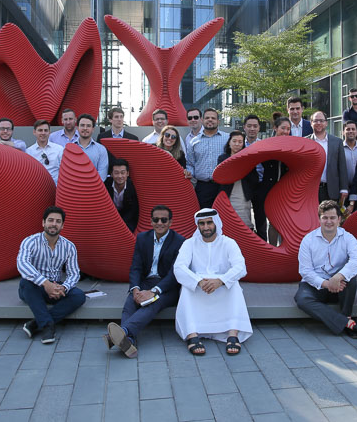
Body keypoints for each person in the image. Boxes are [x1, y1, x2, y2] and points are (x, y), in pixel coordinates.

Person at [105, 205, 185, 358]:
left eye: (164, 220)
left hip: (167, 287)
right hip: (145, 282)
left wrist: (154, 291)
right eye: (156, 219)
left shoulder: (180, 241)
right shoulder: (142, 238)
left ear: (170, 222)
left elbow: (174, 274)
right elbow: (136, 267)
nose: (159, 223)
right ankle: (127, 339)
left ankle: (123, 332)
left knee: (151, 304)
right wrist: (135, 289)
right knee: (130, 303)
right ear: (151, 221)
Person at [174, 208, 252, 356]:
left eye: (209, 223)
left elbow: (240, 267)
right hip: (199, 287)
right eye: (202, 224)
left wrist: (221, 280)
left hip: (221, 285)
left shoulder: (228, 243)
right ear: (198, 226)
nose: (206, 227)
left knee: (234, 286)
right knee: (186, 288)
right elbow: (179, 268)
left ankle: (232, 333)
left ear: (216, 223)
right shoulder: (189, 243)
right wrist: (198, 281)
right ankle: (192, 334)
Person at [295, 200, 357, 341]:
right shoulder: (308, 240)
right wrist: (326, 283)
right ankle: (348, 323)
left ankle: (346, 316)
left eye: (332, 218)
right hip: (316, 285)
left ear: (339, 219)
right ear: (319, 219)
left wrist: (338, 276)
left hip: (339, 284)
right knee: (302, 299)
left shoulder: (348, 238)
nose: (328, 221)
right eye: (325, 217)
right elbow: (305, 271)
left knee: (351, 279)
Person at [18, 206, 85, 344]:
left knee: (79, 295)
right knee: (26, 283)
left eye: (58, 221)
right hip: (35, 286)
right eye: (50, 220)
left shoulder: (69, 246)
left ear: (62, 225)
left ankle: (37, 323)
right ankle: (48, 326)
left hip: (56, 288)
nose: (54, 224)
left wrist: (64, 288)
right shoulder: (30, 241)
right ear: (43, 223)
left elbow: (74, 273)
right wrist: (45, 283)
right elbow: (22, 264)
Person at [187, 109, 229, 208]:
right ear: (202, 120)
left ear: (218, 121)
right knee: (204, 217)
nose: (210, 120)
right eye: (207, 118)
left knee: (223, 218)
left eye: (213, 118)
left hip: (223, 186)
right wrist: (189, 173)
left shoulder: (227, 139)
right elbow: (190, 163)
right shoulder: (194, 142)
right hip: (203, 187)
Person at [218, 131, 259, 229]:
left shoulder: (248, 158)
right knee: (227, 223)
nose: (237, 144)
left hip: (242, 193)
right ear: (229, 142)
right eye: (234, 141)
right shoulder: (222, 158)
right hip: (227, 193)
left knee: (244, 223)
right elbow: (220, 176)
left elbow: (254, 178)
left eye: (240, 142)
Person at [307, 111, 348, 205]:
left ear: (326, 123)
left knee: (330, 218)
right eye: (315, 121)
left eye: (321, 121)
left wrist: (344, 188)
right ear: (311, 123)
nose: (318, 123)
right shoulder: (305, 141)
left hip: (331, 189)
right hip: (310, 190)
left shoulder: (337, 142)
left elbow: (342, 166)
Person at [264, 117, 291, 246]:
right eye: (283, 128)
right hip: (270, 189)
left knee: (286, 222)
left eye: (288, 129)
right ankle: (273, 250)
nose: (285, 131)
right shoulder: (267, 144)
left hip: (287, 190)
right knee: (273, 222)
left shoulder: (292, 145)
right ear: (275, 128)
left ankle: (285, 250)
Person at [243, 115, 267, 239]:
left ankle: (264, 249)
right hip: (244, 185)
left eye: (255, 126)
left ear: (259, 128)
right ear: (244, 127)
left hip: (261, 185)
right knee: (245, 220)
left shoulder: (265, 145)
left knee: (261, 220)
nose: (252, 129)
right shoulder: (239, 144)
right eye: (249, 126)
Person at [104, 159, 139, 232]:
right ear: (111, 174)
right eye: (116, 173)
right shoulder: (105, 185)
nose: (120, 176)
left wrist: (120, 223)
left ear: (127, 173)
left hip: (127, 218)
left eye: (123, 173)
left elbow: (133, 209)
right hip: (109, 217)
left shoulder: (133, 187)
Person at [27, 120, 64, 185]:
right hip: (36, 188)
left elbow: (64, 171)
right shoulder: (28, 152)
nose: (43, 133)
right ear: (34, 132)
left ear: (49, 132)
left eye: (46, 130)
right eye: (40, 130)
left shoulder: (59, 149)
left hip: (55, 188)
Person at [73, 113, 108, 180]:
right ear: (77, 128)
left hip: (94, 188)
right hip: (74, 188)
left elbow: (102, 174)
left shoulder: (101, 149)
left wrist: (89, 186)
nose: (85, 128)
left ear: (93, 129)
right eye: (82, 125)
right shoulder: (69, 148)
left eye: (88, 126)